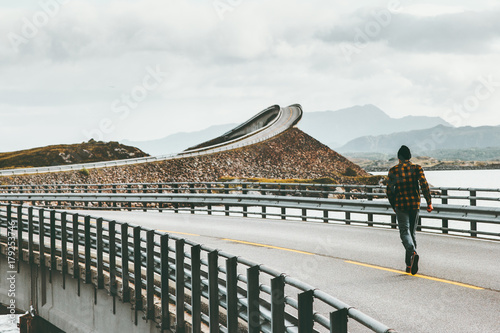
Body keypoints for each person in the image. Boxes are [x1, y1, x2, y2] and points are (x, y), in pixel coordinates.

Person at [387, 145, 433, 275]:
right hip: (414, 205)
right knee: (412, 233)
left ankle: (412, 253)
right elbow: (424, 185)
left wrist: (394, 206)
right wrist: (429, 203)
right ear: (409, 156)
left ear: (398, 157)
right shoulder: (417, 168)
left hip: (401, 205)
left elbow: (389, 191)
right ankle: (409, 264)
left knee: (404, 232)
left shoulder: (393, 170)